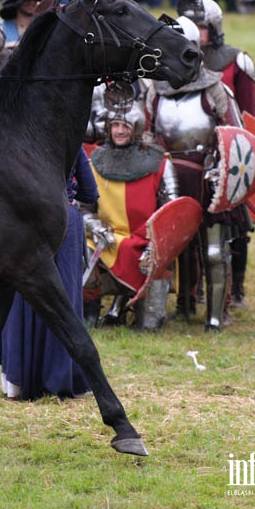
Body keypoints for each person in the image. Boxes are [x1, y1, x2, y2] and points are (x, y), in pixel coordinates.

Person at [145, 16, 246, 331]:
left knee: (214, 250)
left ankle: (216, 315)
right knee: (177, 245)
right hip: (170, 175)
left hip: (207, 177)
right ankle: (184, 304)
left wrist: (220, 169)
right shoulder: (157, 89)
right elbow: (148, 131)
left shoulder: (215, 87)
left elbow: (235, 133)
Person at [176, 0, 255, 309]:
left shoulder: (237, 61)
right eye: (195, 28)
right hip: (188, 153)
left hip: (227, 153)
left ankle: (235, 288)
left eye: (205, 27)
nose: (201, 33)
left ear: (216, 28)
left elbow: (247, 116)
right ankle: (190, 290)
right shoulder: (179, 60)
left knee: (235, 223)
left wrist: (235, 153)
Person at [81, 88, 178, 329]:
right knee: (80, 252)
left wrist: (156, 246)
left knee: (149, 327)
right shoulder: (95, 162)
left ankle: (134, 308)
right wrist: (94, 225)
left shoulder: (159, 164)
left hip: (145, 243)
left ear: (136, 128)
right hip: (106, 239)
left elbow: (173, 213)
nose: (120, 131)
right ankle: (89, 316)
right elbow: (82, 206)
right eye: (115, 126)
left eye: (125, 126)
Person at [0, 147, 92, 399]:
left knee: (24, 295)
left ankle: (19, 380)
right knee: (62, 299)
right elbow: (90, 192)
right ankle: (60, 379)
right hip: (64, 220)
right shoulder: (71, 140)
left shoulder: (16, 135)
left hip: (23, 220)